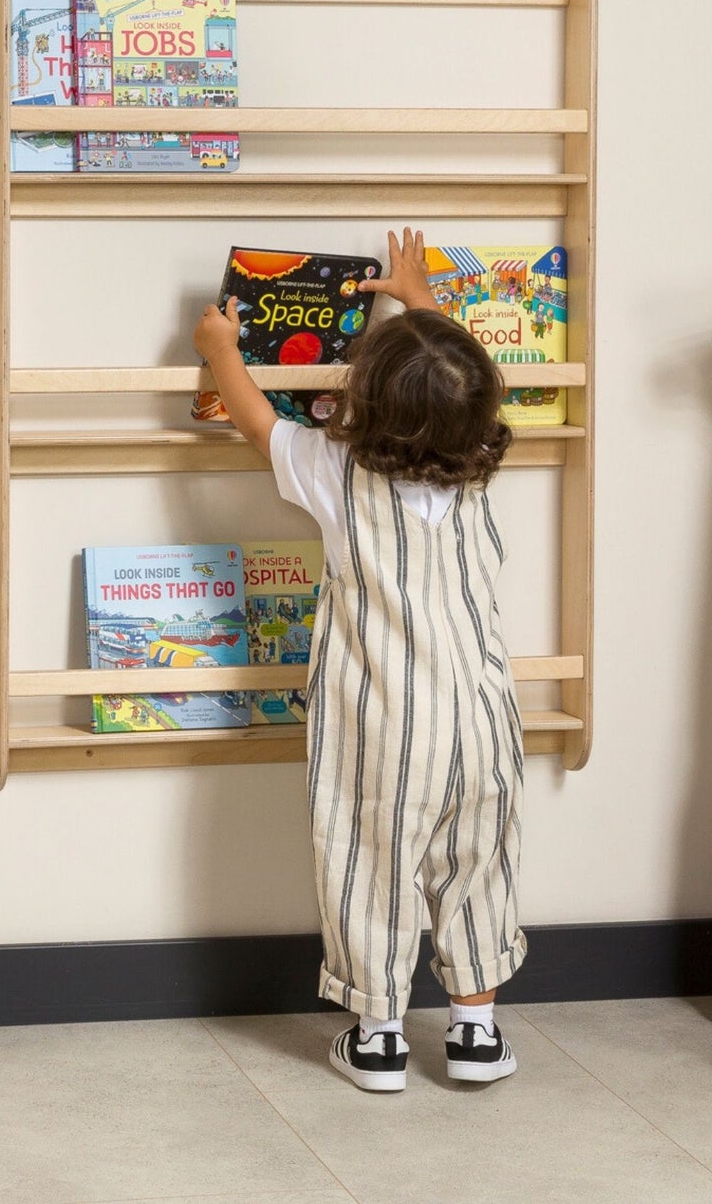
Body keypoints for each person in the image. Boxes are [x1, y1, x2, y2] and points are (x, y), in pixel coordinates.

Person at [193, 226, 526, 1093]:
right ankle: (475, 1032)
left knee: (365, 859)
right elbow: (461, 382)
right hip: (484, 720)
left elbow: (253, 415)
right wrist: (418, 299)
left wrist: (220, 349)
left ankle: (378, 1038)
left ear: (360, 405)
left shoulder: (328, 469)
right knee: (476, 860)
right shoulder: (477, 467)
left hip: (379, 720)